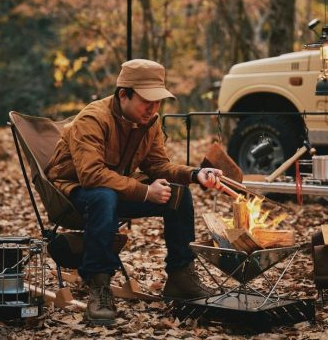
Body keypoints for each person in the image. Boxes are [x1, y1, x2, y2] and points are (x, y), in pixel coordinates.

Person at [45, 59, 223, 325]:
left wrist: (195, 174)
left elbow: (157, 165)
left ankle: (181, 277)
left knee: (178, 194)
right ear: (123, 95)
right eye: (146, 100)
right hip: (74, 192)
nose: (153, 108)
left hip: (116, 188)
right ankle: (99, 287)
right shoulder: (92, 119)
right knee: (104, 195)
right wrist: (143, 192)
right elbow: (92, 175)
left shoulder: (149, 121)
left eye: (158, 101)